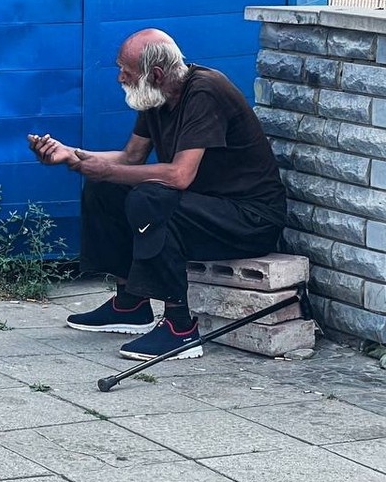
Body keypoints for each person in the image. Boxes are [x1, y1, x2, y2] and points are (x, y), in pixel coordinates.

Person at [28, 28, 286, 361]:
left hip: (249, 218)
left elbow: (179, 175)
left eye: (126, 70)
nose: (120, 77)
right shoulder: (157, 96)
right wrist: (71, 155)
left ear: (157, 74)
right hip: (204, 207)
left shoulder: (205, 91)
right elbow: (129, 158)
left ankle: (180, 328)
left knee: (151, 200)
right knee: (106, 188)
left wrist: (106, 170)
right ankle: (130, 304)